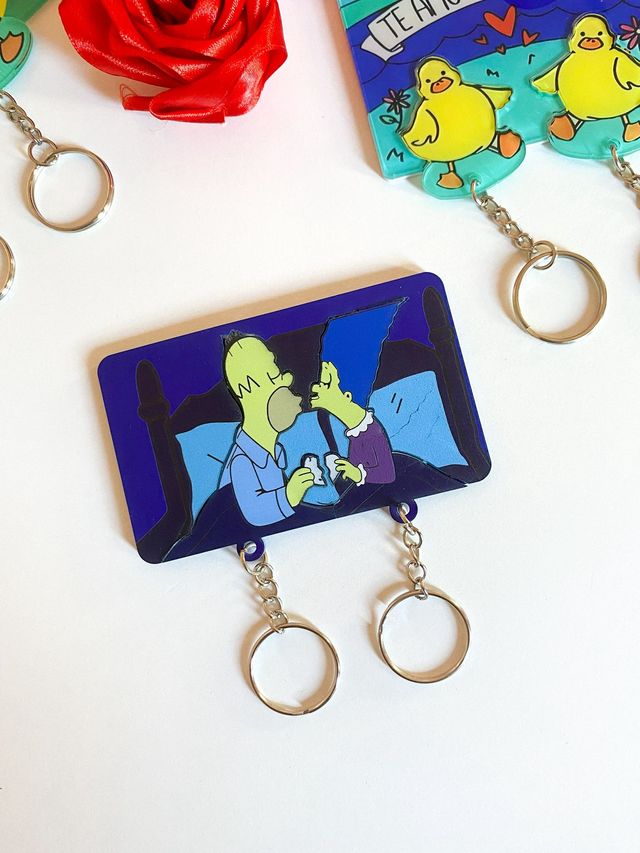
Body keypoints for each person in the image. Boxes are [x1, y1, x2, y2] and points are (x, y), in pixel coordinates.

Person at [219, 334, 315, 526]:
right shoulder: (241, 461)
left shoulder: (274, 453)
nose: (287, 380)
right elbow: (253, 512)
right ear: (247, 387)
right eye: (274, 375)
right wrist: (290, 495)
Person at [310, 360, 395, 486]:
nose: (314, 387)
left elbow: (388, 474)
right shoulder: (356, 434)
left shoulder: (372, 432)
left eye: (326, 384)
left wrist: (357, 474)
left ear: (347, 396)